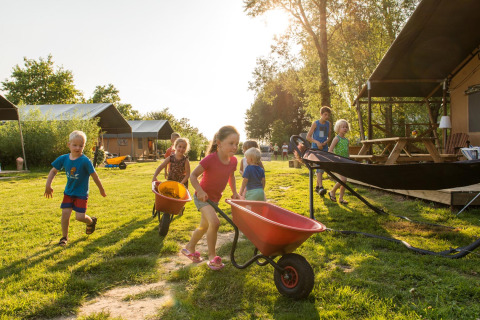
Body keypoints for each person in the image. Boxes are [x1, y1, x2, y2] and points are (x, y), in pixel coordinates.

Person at [182, 125, 241, 270]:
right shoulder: (210, 159)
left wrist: (235, 192)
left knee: (205, 226)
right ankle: (212, 257)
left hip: (214, 199)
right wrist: (200, 191)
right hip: (202, 197)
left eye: (237, 144)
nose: (234, 147)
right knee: (214, 223)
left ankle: (189, 247)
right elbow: (193, 176)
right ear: (219, 143)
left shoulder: (233, 161)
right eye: (231, 143)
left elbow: (231, 176)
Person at [44, 130, 106, 246]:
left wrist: (101, 189)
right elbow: (53, 171)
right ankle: (64, 238)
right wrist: (48, 185)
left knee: (80, 217)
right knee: (65, 215)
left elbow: (94, 176)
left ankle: (91, 221)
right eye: (75, 145)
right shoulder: (64, 158)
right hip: (68, 192)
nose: (77, 148)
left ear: (84, 146)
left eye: (81, 146)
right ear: (69, 145)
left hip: (81, 194)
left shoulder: (85, 161)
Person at [306, 106, 332, 196]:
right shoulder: (316, 123)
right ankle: (321, 187)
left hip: (324, 148)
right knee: (318, 167)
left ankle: (317, 187)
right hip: (315, 148)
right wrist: (317, 142)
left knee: (323, 167)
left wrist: (325, 142)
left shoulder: (328, 124)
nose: (327, 117)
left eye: (328, 115)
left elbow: (329, 137)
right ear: (321, 114)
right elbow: (308, 137)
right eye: (325, 114)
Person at [327, 119, 350, 204]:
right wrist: (337, 158)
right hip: (338, 162)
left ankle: (341, 198)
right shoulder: (336, 139)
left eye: (346, 127)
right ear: (338, 128)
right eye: (343, 127)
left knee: (344, 180)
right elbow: (330, 151)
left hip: (345, 162)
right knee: (343, 179)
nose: (345, 128)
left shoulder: (347, 140)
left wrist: (349, 159)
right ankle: (332, 191)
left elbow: (347, 152)